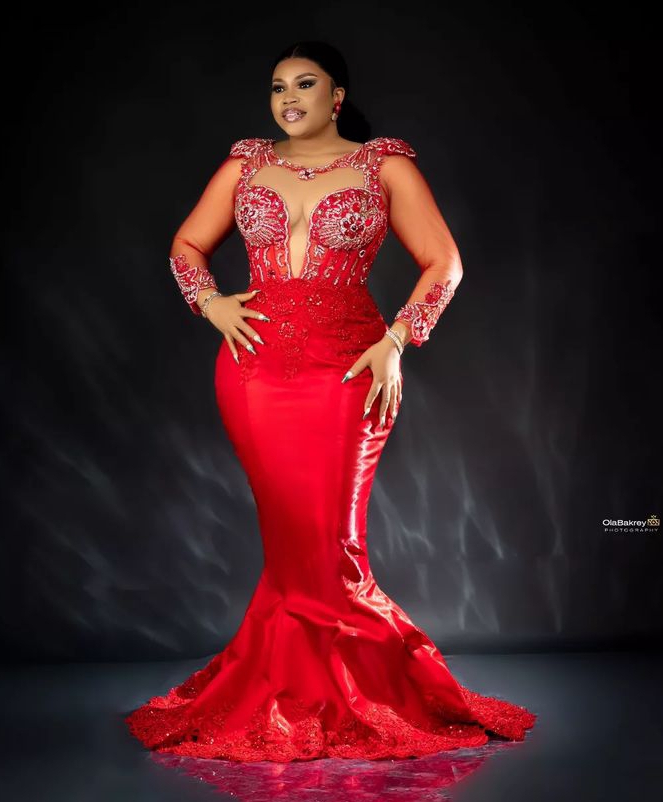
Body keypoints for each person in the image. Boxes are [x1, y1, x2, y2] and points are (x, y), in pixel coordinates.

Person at [125, 40, 537, 761]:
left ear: (336, 96)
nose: (288, 98)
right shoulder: (247, 162)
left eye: (305, 84)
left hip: (349, 367)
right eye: (277, 86)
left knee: (333, 541)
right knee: (290, 542)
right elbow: (186, 246)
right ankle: (291, 691)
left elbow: (444, 262)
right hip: (252, 372)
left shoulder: (384, 165)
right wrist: (211, 304)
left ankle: (353, 691)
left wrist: (398, 340)